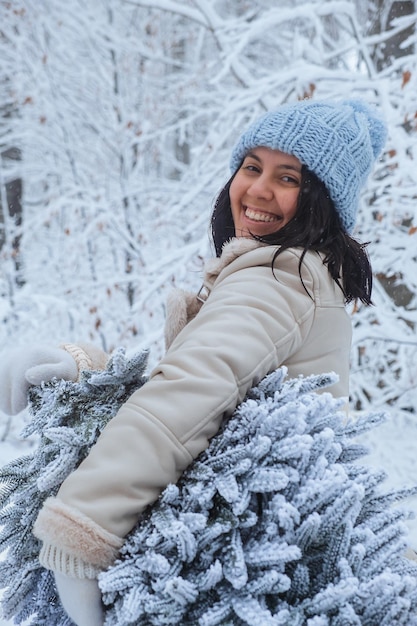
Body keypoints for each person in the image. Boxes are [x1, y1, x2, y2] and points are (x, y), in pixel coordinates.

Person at [0, 98, 387, 625]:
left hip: (231, 571)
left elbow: (184, 398)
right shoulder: (301, 275)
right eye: (251, 167)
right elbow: (205, 389)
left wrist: (84, 524)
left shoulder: (277, 277)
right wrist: (82, 368)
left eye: (289, 177)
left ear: (321, 200)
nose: (258, 189)